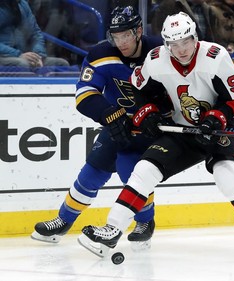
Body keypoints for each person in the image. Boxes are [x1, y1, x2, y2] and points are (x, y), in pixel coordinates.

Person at [78, 11, 234, 262]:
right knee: (145, 168)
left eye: (185, 42)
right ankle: (112, 230)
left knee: (225, 171)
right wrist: (147, 112)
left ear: (195, 38)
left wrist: (216, 116)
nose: (181, 50)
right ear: (165, 44)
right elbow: (138, 90)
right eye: (173, 44)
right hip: (182, 127)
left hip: (223, 126)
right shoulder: (155, 59)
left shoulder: (216, 57)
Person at [31, 6, 166, 250]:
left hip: (150, 128)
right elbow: (84, 94)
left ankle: (145, 222)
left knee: (130, 173)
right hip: (117, 126)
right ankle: (63, 221)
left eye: (125, 35)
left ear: (138, 31)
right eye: (116, 37)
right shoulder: (101, 54)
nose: (120, 42)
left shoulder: (160, 51)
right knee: (90, 174)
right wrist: (110, 115)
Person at [0, 0, 69, 67]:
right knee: (23, 64)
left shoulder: (23, 4)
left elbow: (36, 33)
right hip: (4, 56)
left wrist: (37, 55)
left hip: (25, 55)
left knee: (62, 64)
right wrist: (18, 54)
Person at [150, 0, 215, 41]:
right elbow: (159, 35)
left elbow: (211, 37)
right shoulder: (170, 5)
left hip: (202, 53)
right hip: (177, 53)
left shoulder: (207, 9)